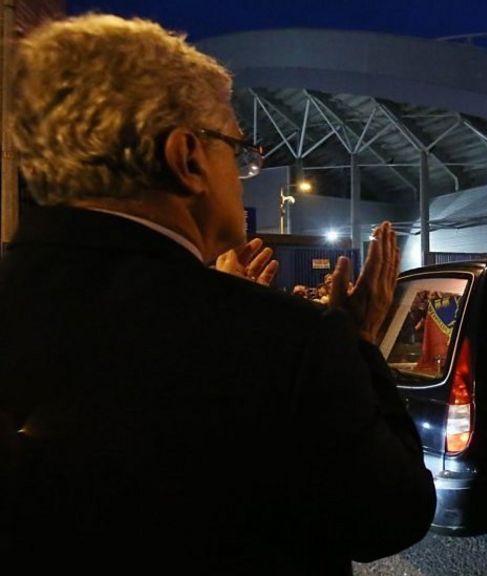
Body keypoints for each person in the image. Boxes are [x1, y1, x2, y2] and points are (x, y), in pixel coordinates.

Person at [0, 14, 435, 574]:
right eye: (238, 148)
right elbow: (391, 519)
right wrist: (360, 345)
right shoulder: (288, 342)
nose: (246, 170)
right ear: (187, 159)